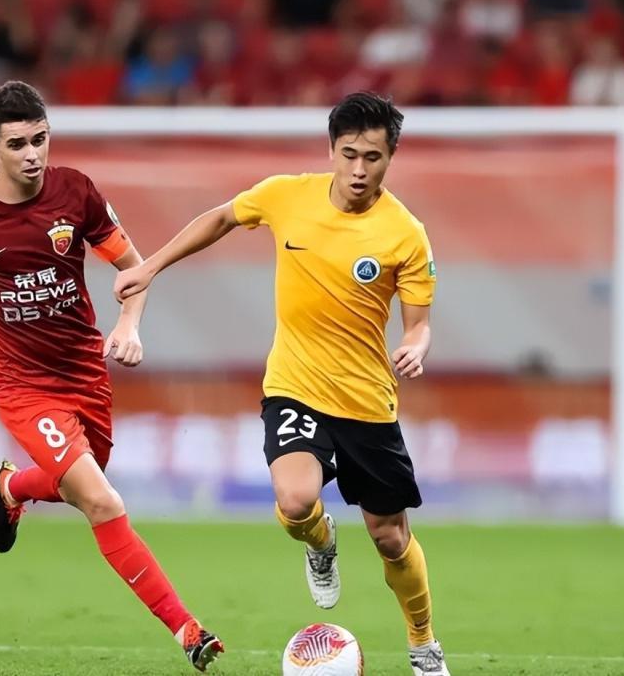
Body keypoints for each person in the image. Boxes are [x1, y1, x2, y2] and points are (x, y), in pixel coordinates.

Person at [113, 91, 448, 676]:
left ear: (390, 158)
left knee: (391, 539)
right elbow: (221, 218)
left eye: (373, 158)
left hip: (367, 401)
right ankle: (321, 542)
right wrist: (149, 267)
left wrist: (414, 348)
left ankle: (423, 645)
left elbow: (418, 325)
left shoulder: (406, 234)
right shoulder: (286, 195)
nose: (359, 170)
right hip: (294, 384)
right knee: (295, 502)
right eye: (349, 155)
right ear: (332, 151)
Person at [0, 80, 223, 672]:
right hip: (21, 382)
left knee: (83, 483)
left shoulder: (76, 192)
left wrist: (129, 324)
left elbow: (134, 267)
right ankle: (187, 629)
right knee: (102, 501)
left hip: (84, 371)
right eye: (17, 144)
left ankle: (12, 488)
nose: (32, 154)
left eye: (40, 139)